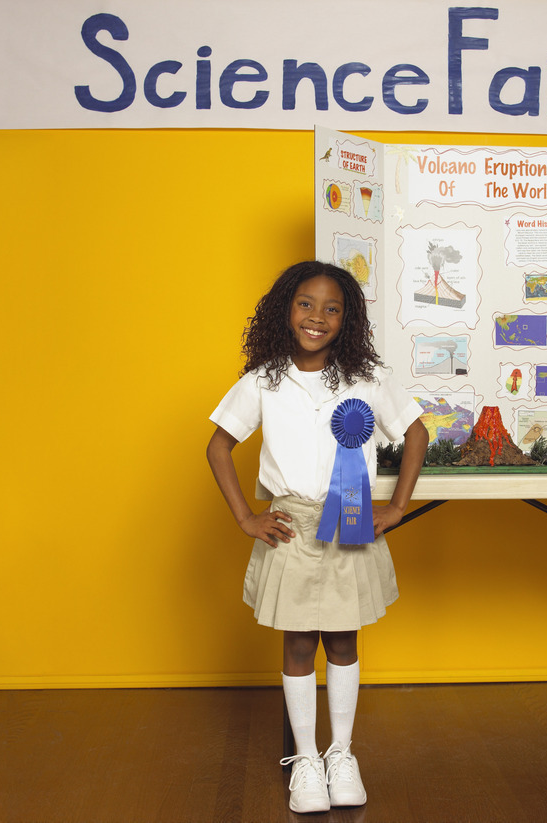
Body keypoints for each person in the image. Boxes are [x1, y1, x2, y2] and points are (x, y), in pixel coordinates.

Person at [207, 260, 428, 814]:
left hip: (350, 523)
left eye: (332, 309)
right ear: (286, 308)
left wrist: (398, 505)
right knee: (300, 641)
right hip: (292, 527)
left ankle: (342, 754)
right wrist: (245, 517)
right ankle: (305, 760)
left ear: (346, 320)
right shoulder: (265, 378)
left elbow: (417, 432)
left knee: (345, 639)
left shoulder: (366, 377)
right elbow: (217, 447)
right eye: (306, 304)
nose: (317, 317)